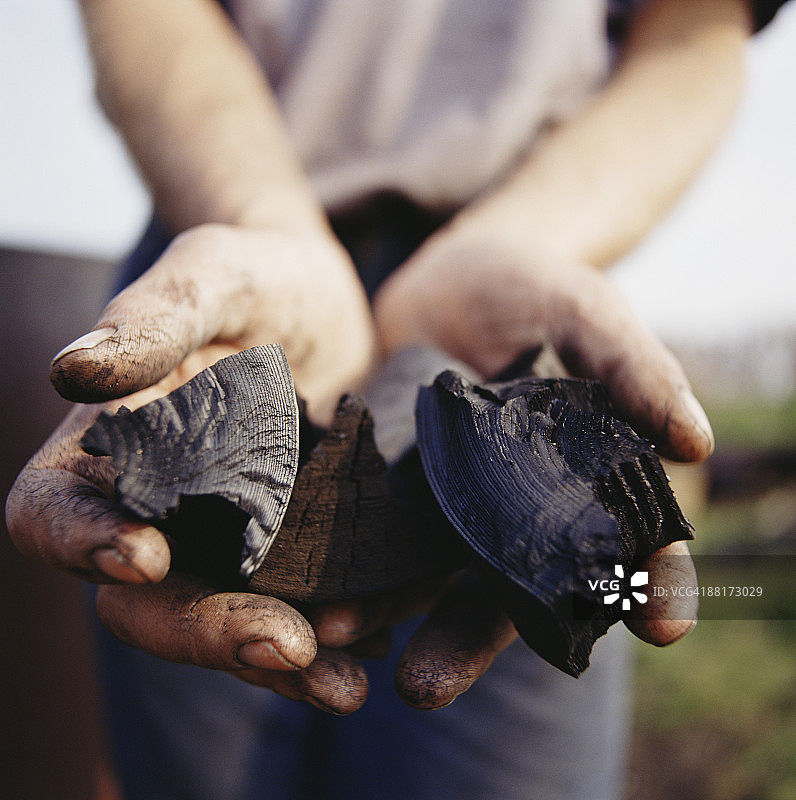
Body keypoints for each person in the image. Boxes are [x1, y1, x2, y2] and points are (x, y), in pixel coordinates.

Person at [6, 0, 784, 797]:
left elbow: (695, 32)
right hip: (239, 260)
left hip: (516, 283)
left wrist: (520, 239)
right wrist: (264, 217)